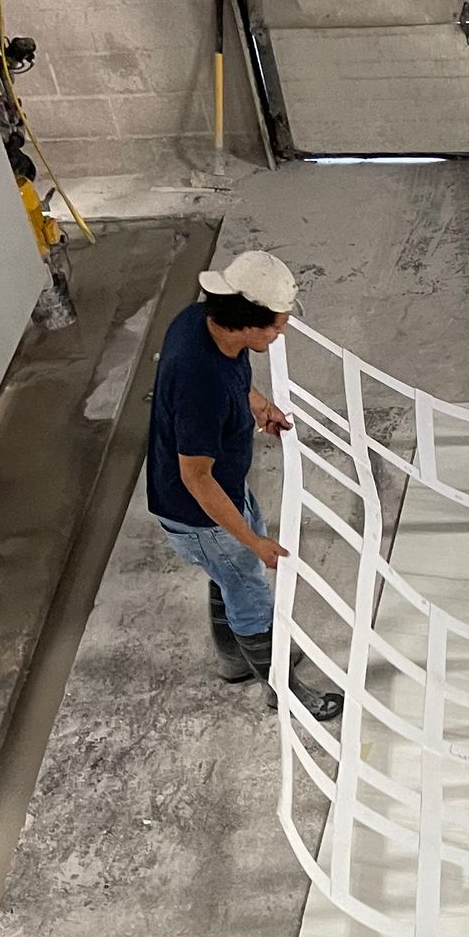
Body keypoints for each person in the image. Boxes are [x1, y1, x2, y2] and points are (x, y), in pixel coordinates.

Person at [146, 248, 342, 721]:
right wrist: (253, 541)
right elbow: (196, 477)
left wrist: (256, 404)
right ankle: (284, 693)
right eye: (274, 327)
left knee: (231, 578)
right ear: (245, 321)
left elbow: (231, 379)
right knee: (250, 594)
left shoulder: (200, 322)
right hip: (200, 514)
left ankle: (235, 661)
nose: (280, 333)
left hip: (220, 492)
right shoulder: (200, 382)